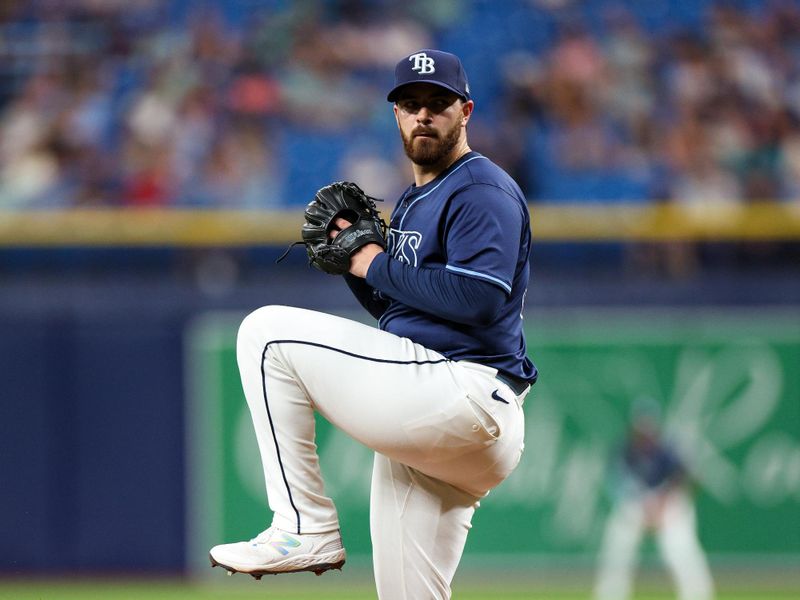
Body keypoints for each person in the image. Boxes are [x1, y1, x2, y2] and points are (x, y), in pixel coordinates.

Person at [208, 49, 537, 599]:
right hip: (444, 415)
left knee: (266, 335)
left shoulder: (481, 189)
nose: (424, 115)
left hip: (466, 392)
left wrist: (369, 260)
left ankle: (303, 524)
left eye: (439, 103)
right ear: (397, 115)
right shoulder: (412, 201)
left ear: (466, 112)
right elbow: (401, 315)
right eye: (411, 104)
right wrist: (353, 267)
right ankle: (305, 526)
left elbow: (478, 299)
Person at [593, 408, 715, 600]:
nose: (645, 436)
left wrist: (664, 502)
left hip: (668, 501)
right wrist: (643, 505)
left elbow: (691, 478)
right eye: (641, 431)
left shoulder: (668, 448)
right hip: (637, 501)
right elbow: (617, 483)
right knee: (618, 545)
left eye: (649, 430)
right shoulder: (625, 449)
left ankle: (697, 595)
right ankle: (609, 594)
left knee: (679, 549)